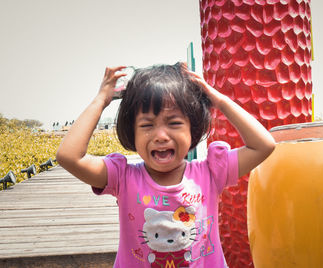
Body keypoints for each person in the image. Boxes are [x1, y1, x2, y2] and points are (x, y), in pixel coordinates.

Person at [56, 62, 275, 267]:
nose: (161, 135)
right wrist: (100, 101)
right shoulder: (122, 178)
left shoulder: (210, 172)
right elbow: (69, 156)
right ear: (132, 132)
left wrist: (218, 101)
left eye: (174, 123)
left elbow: (263, 145)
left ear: (193, 129)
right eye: (147, 125)